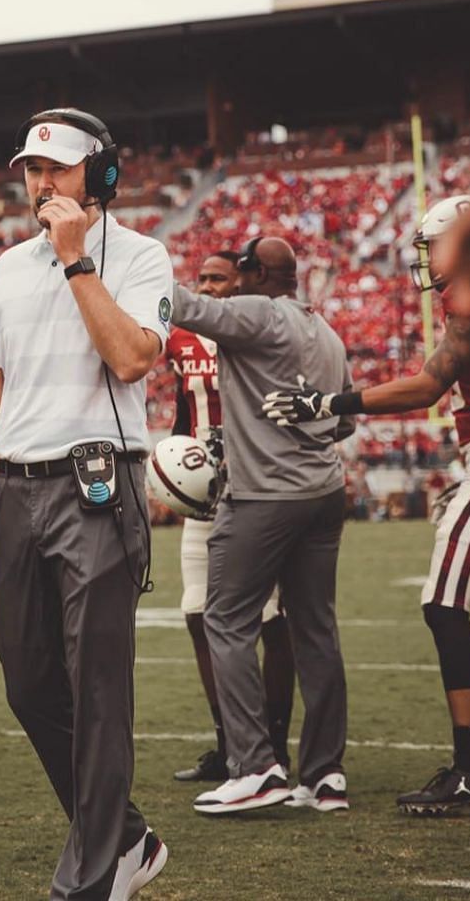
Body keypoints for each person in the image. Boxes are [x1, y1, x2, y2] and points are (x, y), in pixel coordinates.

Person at [0, 108, 171, 900]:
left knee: (97, 687)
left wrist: (76, 265)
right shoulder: (6, 267)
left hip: (99, 486)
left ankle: (93, 879)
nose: (40, 184)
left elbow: (133, 358)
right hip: (16, 491)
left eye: (57, 169)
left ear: (99, 176)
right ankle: (128, 838)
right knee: (28, 682)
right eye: (32, 170)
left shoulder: (141, 257)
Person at [264, 194, 470, 814]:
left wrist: (331, 403)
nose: (429, 260)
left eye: (436, 246)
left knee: (444, 605)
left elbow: (428, 384)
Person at [168, 235, 352, 816]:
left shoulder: (258, 312)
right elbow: (342, 421)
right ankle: (325, 774)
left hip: (265, 495)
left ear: (253, 275)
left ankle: (254, 766)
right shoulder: (328, 332)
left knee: (224, 618)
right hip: (325, 490)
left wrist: (122, 260)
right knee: (315, 628)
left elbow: (185, 306)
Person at [166, 251, 298, 784]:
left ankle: (273, 746)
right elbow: (182, 408)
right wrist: (172, 467)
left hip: (257, 485)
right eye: (201, 279)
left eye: (218, 278)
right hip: (204, 488)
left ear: (241, 281)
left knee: (269, 619)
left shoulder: (257, 329)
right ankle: (228, 743)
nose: (208, 287)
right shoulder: (179, 338)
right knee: (197, 612)